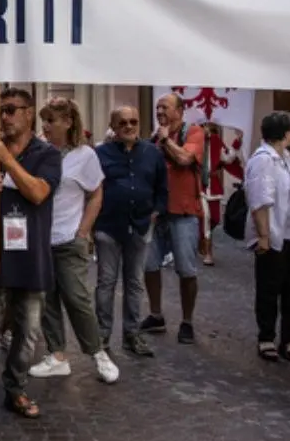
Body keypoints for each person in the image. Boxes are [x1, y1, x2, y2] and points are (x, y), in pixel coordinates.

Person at [0, 88, 62, 426]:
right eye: (0, 111)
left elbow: (37, 193)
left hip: (32, 258)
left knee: (28, 333)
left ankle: (15, 388)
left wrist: (6, 160)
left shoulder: (47, 154)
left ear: (28, 113)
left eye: (11, 110)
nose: (4, 117)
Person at [28, 97, 119, 384]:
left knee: (77, 298)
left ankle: (98, 353)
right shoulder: (39, 151)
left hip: (69, 238)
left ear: (68, 122)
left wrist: (83, 231)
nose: (46, 125)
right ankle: (56, 355)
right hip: (41, 238)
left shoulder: (84, 155)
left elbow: (96, 193)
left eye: (51, 120)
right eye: (44, 119)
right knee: (47, 300)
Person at [94, 106, 167, 358]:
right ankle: (102, 337)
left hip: (140, 226)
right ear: (113, 126)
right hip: (107, 227)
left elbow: (162, 188)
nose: (129, 126)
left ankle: (131, 335)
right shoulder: (99, 153)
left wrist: (155, 213)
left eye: (133, 121)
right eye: (122, 122)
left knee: (135, 283)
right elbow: (92, 188)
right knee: (106, 283)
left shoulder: (152, 153)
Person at [143, 94, 206, 344]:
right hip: (156, 214)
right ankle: (156, 315)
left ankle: (187, 321)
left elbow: (183, 159)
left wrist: (165, 138)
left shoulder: (194, 133)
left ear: (180, 111)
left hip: (184, 212)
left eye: (164, 107)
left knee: (186, 270)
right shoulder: (154, 138)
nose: (159, 111)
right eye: (157, 107)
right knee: (149, 266)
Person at [244, 111, 290, 364]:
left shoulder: (288, 160)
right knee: (270, 288)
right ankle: (266, 337)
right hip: (274, 234)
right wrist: (264, 236)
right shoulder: (263, 160)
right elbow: (260, 200)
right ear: (284, 132)